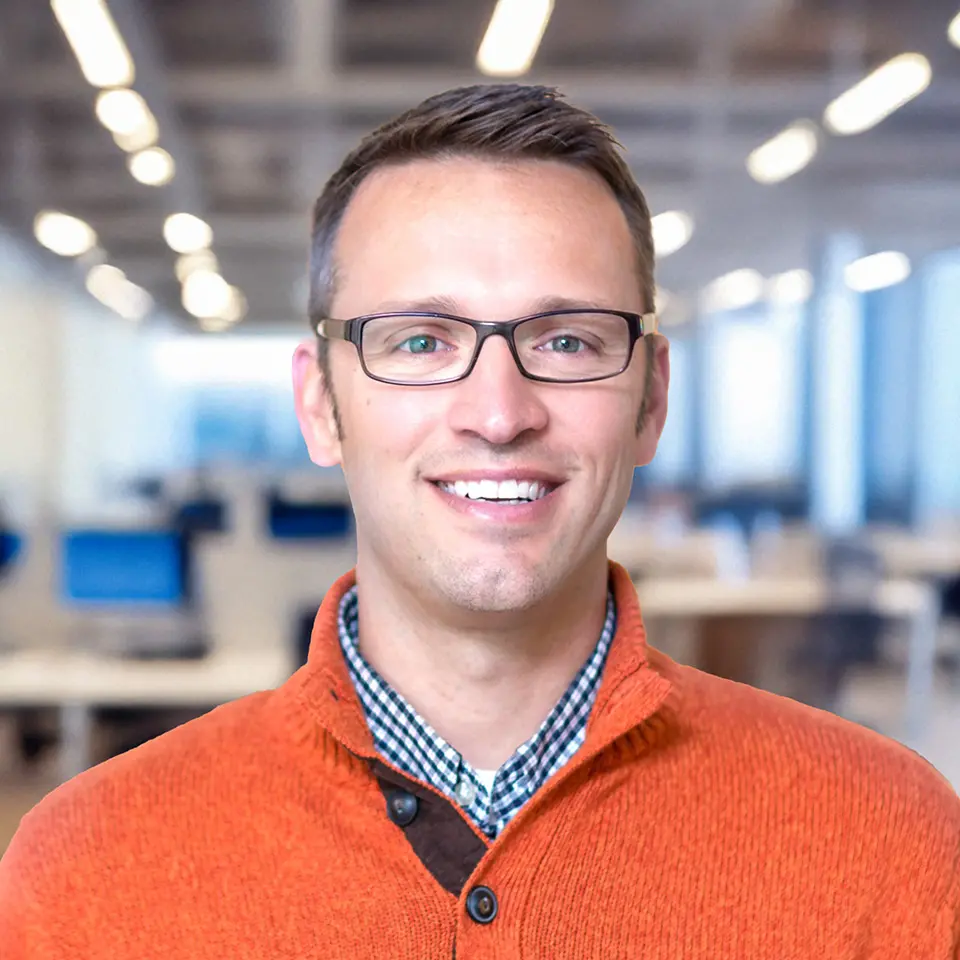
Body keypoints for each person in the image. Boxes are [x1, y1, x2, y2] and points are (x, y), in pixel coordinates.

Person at [1, 84, 958, 959]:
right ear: (321, 406)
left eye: (568, 341)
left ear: (652, 400)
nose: (499, 413)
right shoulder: (81, 874)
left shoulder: (887, 842)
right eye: (420, 341)